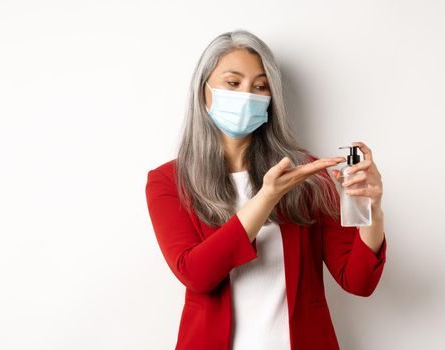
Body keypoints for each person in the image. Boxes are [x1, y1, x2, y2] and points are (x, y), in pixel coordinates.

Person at [145, 29, 387, 350]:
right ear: (204, 93)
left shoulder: (306, 173)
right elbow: (197, 275)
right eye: (233, 83)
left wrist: (372, 211)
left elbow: (358, 281)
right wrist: (267, 198)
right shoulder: (169, 181)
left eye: (260, 86)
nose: (248, 94)